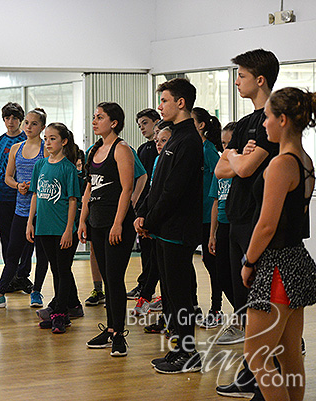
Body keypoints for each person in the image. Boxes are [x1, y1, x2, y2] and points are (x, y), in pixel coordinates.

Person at [241, 87, 316, 401]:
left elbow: (266, 225)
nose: (263, 124)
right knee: (289, 355)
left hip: (277, 267)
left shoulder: (281, 164)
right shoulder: (305, 161)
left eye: (267, 117)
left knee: (256, 357)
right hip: (296, 261)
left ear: (283, 119)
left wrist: (249, 261)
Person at [214, 50, 280, 401]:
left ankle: (264, 375)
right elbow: (221, 170)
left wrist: (236, 158)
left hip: (257, 220)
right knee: (242, 302)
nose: (237, 81)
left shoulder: (273, 119)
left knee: (260, 306)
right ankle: (250, 373)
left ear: (260, 79)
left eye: (241, 75)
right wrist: (237, 156)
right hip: (236, 219)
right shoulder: (243, 123)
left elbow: (243, 168)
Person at [135, 77, 203, 374]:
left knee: (180, 295)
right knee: (171, 296)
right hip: (163, 228)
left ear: (181, 102)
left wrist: (149, 221)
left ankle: (189, 354)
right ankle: (178, 349)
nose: (160, 106)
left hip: (178, 229)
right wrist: (143, 214)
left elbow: (174, 191)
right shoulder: (173, 136)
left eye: (164, 100)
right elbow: (157, 184)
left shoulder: (189, 141)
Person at [0, 108, 48, 308]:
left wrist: (34, 186)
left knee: (41, 253)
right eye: (27, 123)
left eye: (34, 123)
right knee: (12, 251)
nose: (29, 127)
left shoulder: (46, 148)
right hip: (21, 208)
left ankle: (36, 291)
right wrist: (18, 185)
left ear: (42, 127)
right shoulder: (16, 148)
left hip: (42, 210)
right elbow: (6, 177)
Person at [79, 102, 137, 357]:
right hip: (97, 222)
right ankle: (111, 328)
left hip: (117, 224)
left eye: (100, 117)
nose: (94, 121)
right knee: (106, 277)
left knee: (114, 279)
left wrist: (118, 223)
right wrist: (83, 220)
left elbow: (127, 188)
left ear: (113, 123)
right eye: (94, 117)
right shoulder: (94, 150)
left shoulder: (121, 149)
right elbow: (89, 188)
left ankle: (119, 335)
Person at [26, 122, 82, 334]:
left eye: (53, 138)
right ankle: (63, 311)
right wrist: (30, 222)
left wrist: (69, 229)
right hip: (44, 227)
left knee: (63, 270)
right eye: (46, 139)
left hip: (62, 229)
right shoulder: (40, 165)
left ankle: (59, 312)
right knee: (55, 269)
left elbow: (73, 200)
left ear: (64, 141)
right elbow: (35, 195)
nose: (48, 143)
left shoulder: (68, 168)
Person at [0, 102, 33, 293]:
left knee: (27, 237)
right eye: (7, 118)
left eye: (15, 118)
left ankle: (22, 275)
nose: (11, 121)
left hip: (24, 197)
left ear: (20, 120)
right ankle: (10, 276)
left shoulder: (27, 140)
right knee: (7, 238)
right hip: (3, 195)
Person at [133, 122, 172, 317]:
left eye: (163, 140)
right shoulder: (158, 159)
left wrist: (150, 222)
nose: (158, 143)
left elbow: (167, 195)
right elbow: (152, 191)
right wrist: (143, 215)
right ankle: (148, 297)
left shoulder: (172, 160)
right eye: (157, 139)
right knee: (154, 262)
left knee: (167, 269)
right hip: (153, 220)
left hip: (168, 224)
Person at [191, 107, 224, 328]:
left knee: (213, 264)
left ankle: (216, 309)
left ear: (201, 125)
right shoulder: (195, 148)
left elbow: (217, 185)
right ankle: (193, 306)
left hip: (207, 217)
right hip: (195, 215)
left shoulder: (209, 150)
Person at [205, 122, 237, 329]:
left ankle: (245, 318)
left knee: (239, 276)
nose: (225, 148)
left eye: (230, 143)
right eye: (223, 143)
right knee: (223, 275)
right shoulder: (220, 169)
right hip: (223, 227)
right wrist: (212, 234)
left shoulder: (243, 169)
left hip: (238, 227)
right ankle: (243, 312)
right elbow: (216, 202)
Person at [128, 108, 161, 300]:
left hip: (156, 206)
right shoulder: (142, 149)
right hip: (143, 206)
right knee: (146, 250)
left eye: (145, 123)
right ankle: (144, 285)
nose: (142, 128)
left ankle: (149, 287)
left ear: (157, 122)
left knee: (156, 251)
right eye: (139, 125)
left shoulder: (163, 148)